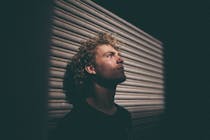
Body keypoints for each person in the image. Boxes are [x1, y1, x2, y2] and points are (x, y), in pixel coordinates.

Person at [49, 32, 133, 140]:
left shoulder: (124, 116)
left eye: (118, 55)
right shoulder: (74, 124)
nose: (121, 60)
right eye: (110, 55)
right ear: (91, 69)